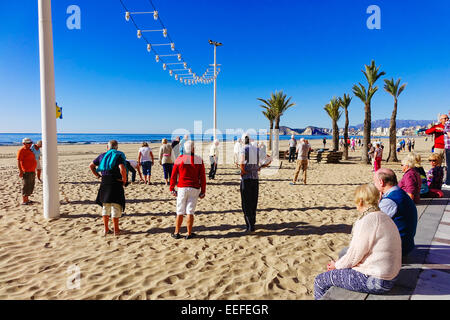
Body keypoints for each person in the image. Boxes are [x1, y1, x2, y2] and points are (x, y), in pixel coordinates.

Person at [314, 184, 402, 300]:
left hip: (377, 280)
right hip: (390, 275)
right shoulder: (383, 216)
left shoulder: (367, 220)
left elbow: (354, 255)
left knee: (320, 280)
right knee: (341, 260)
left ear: (360, 202)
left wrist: (336, 265)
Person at [374, 168, 418, 256]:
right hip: (407, 243)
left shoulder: (390, 201)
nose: (374, 185)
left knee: (345, 252)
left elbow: (373, 222)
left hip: (397, 249)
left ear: (381, 182)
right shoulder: (401, 193)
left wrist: (376, 204)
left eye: (374, 182)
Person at [89, 140, 127, 236]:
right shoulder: (118, 155)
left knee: (105, 206)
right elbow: (122, 168)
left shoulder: (102, 156)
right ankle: (116, 230)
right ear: (116, 147)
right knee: (116, 205)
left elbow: (91, 166)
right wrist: (124, 180)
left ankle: (106, 229)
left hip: (104, 182)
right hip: (115, 182)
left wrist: (98, 176)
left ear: (107, 147)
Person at [169, 140, 206, 239]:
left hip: (182, 187)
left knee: (180, 210)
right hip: (194, 187)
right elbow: (202, 177)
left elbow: (173, 176)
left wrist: (172, 188)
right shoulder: (198, 159)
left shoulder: (179, 159)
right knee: (190, 211)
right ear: (193, 148)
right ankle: (189, 233)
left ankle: (177, 232)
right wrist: (203, 191)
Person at [239, 133, 271, 233]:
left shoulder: (244, 149)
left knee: (246, 202)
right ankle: (252, 223)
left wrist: (242, 171)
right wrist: (259, 167)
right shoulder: (256, 149)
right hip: (255, 179)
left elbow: (241, 162)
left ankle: (249, 226)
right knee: (253, 201)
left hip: (247, 178)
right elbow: (267, 160)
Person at [17, 138, 37, 205]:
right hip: (26, 171)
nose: (30, 144)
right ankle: (24, 201)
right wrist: (20, 171)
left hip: (32, 170)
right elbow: (19, 161)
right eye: (28, 143)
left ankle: (27, 200)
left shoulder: (30, 150)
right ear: (24, 143)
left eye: (31, 142)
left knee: (31, 185)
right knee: (26, 185)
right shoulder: (21, 150)